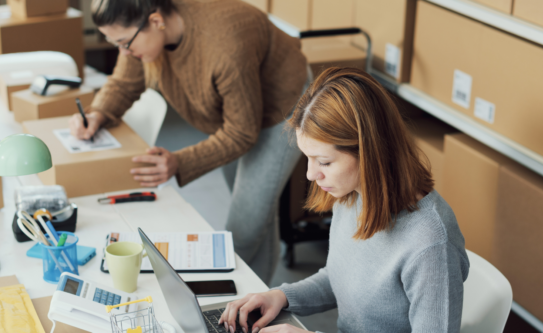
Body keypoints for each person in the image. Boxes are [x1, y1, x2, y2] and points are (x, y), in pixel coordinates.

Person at [68, 0, 308, 283]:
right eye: (114, 43)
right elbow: (123, 82)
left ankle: (248, 308)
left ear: (156, 21)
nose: (124, 52)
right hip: (234, 113)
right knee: (257, 214)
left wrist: (180, 161)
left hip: (281, 107)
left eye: (124, 42)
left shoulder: (222, 46)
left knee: (243, 229)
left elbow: (241, 133)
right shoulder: (143, 32)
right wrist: (98, 113)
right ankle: (259, 302)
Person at [218, 67, 470, 333]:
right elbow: (340, 279)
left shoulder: (431, 244)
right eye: (308, 158)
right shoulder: (352, 196)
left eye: (324, 161)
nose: (311, 174)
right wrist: (280, 297)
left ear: (369, 152)